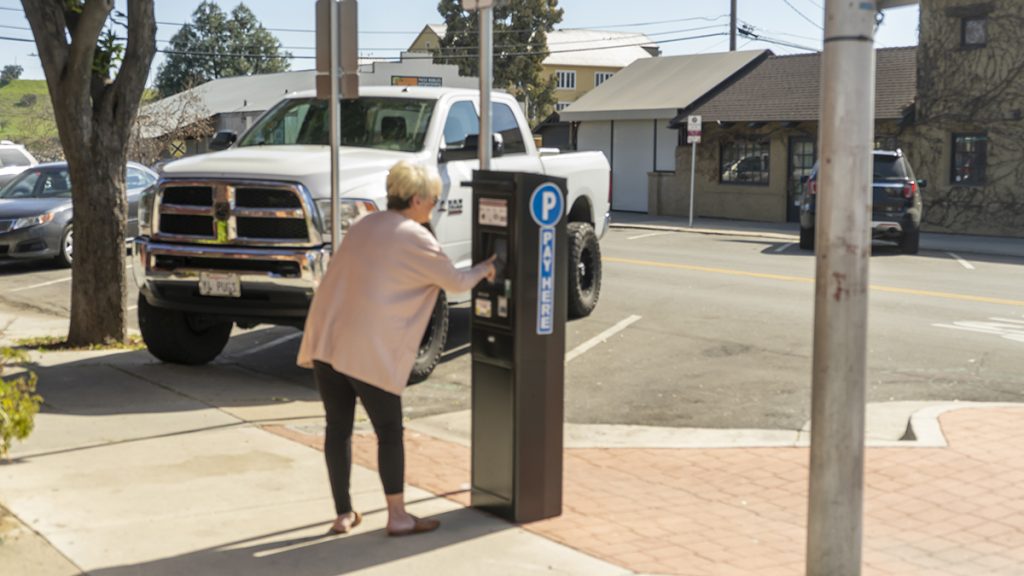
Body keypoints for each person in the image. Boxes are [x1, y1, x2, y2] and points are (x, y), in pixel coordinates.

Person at [297, 160, 496, 536]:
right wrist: (486, 268)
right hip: (367, 350)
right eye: (434, 199)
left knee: (337, 428)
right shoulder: (414, 235)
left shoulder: (365, 223)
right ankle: (398, 516)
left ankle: (343, 514)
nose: (435, 205)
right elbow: (455, 281)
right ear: (417, 198)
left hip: (328, 341)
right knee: (389, 430)